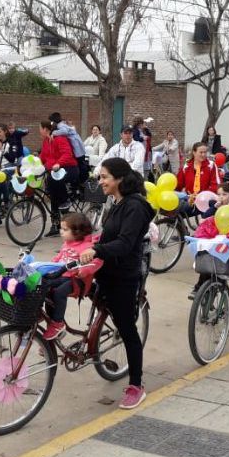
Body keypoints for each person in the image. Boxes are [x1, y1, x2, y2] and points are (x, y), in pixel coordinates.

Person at [79, 158, 155, 409]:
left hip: (124, 275)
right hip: (106, 270)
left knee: (126, 330)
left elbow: (124, 244)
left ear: (119, 179)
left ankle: (136, 385)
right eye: (99, 177)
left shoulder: (136, 207)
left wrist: (96, 249)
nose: (100, 182)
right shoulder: (117, 203)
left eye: (104, 177)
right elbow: (107, 235)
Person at [42, 213, 103, 341]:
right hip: (62, 276)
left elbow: (97, 261)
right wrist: (47, 267)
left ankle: (58, 323)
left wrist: (84, 270)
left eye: (65, 229)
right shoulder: (66, 244)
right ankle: (46, 317)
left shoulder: (87, 247)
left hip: (77, 281)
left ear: (77, 231)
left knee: (59, 293)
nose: (61, 232)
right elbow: (58, 259)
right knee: (43, 284)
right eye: (61, 228)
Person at [39, 121, 80, 236]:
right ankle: (55, 224)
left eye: (40, 128)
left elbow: (67, 154)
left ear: (46, 129)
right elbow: (43, 157)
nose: (39, 131)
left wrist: (58, 163)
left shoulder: (60, 138)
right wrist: (35, 164)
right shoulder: (46, 141)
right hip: (55, 169)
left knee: (53, 181)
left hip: (70, 168)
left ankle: (65, 201)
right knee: (52, 193)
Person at [176, 142, 220, 214]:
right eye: (201, 152)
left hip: (206, 200)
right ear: (194, 152)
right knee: (175, 211)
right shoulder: (186, 166)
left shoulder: (211, 165)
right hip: (190, 199)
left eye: (205, 152)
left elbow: (216, 185)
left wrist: (203, 195)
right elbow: (179, 183)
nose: (203, 155)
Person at [50, 112, 89, 183]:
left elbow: (64, 132)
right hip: (76, 143)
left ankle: (84, 179)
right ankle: (82, 178)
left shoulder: (60, 125)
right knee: (80, 162)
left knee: (80, 162)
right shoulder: (62, 124)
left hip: (76, 144)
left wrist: (54, 133)